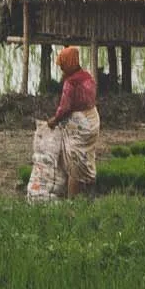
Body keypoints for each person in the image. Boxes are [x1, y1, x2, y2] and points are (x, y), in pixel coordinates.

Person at [48, 44, 100, 198]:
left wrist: (54, 120)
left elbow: (64, 108)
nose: (62, 68)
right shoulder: (87, 76)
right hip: (93, 119)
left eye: (63, 64)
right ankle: (89, 195)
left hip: (81, 124)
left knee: (74, 163)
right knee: (87, 157)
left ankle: (71, 200)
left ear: (69, 63)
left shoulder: (71, 83)